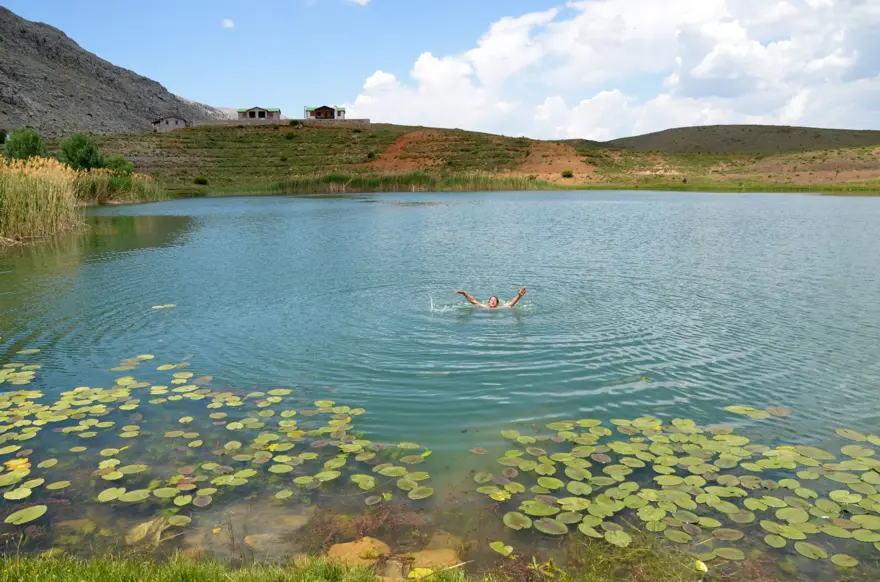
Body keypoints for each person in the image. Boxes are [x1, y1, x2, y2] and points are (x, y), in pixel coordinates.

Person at [456, 287, 526, 309]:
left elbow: (511, 303)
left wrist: (519, 295)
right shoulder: (485, 306)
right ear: (488, 302)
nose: (492, 301)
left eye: (494, 300)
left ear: (497, 303)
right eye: (491, 300)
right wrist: (464, 293)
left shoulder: (500, 307)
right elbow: (473, 301)